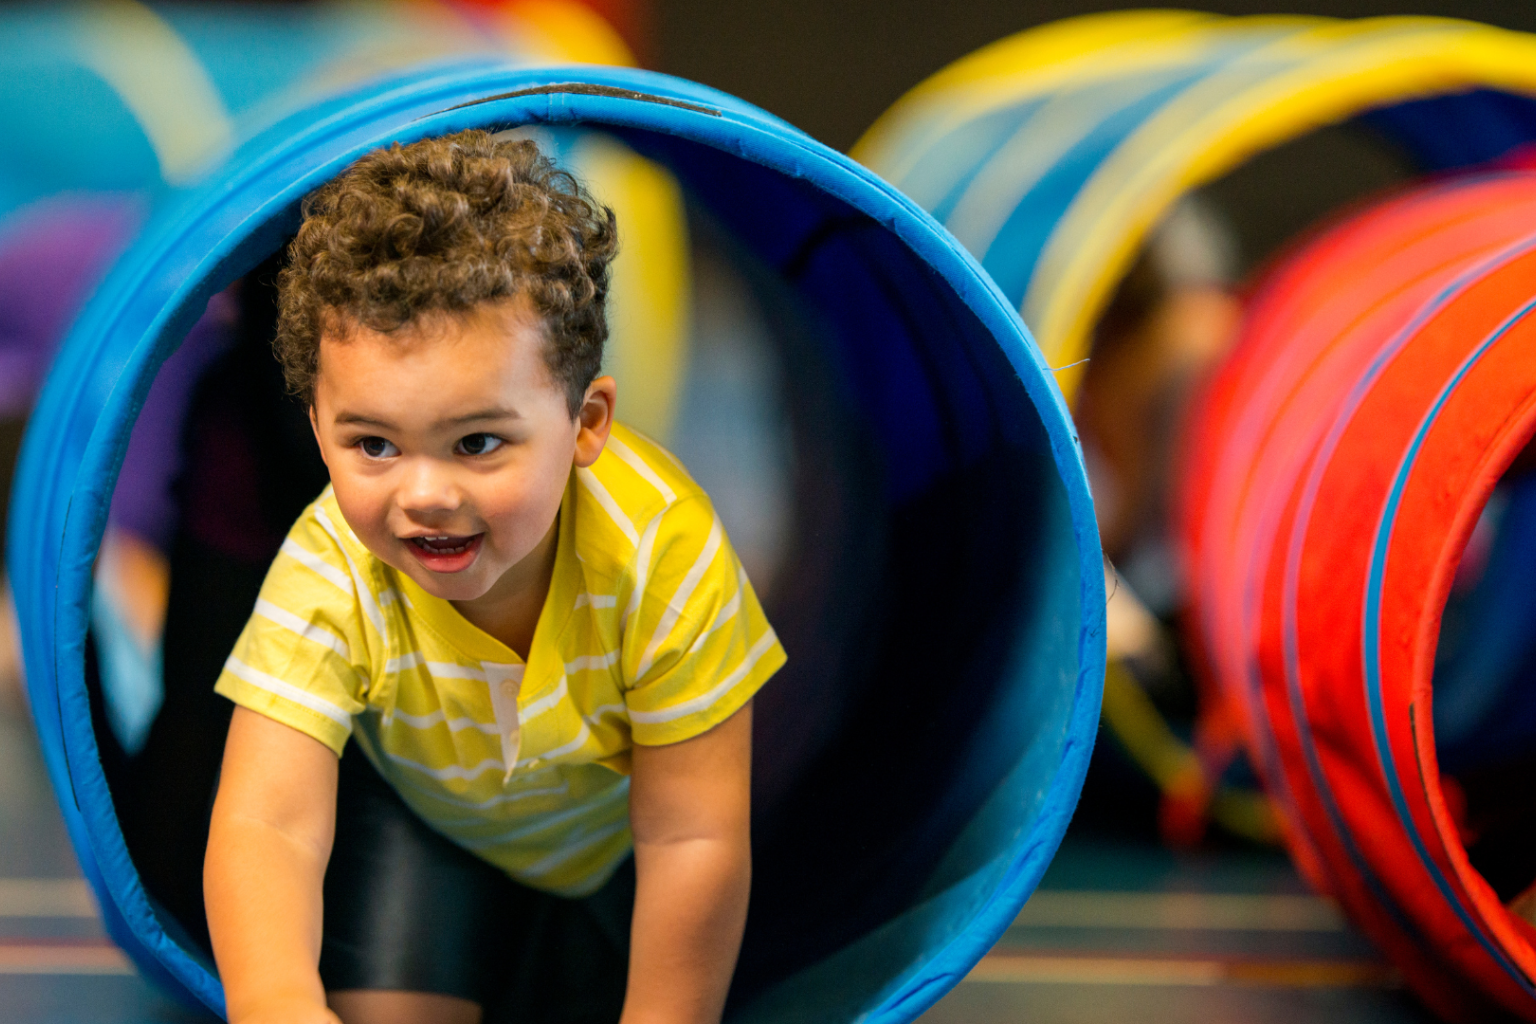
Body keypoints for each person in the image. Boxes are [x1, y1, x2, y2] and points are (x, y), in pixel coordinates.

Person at [202, 130, 785, 1024]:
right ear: (317, 428)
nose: (424, 495)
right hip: (427, 825)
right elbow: (267, 825)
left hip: (618, 843)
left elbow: (692, 832)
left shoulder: (660, 553)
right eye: (372, 444)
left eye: (477, 443)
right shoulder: (331, 569)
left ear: (585, 422)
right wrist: (278, 1002)